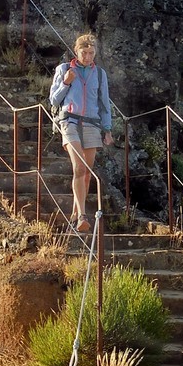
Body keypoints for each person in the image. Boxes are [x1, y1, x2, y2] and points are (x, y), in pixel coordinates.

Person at [49, 33, 113, 232]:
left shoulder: (100, 74)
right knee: (79, 168)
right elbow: (53, 100)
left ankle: (76, 215)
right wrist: (66, 82)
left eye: (91, 53)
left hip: (92, 125)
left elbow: (104, 104)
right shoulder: (64, 69)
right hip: (69, 121)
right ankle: (83, 216)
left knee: (86, 173)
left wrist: (108, 129)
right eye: (84, 52)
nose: (87, 57)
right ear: (76, 51)